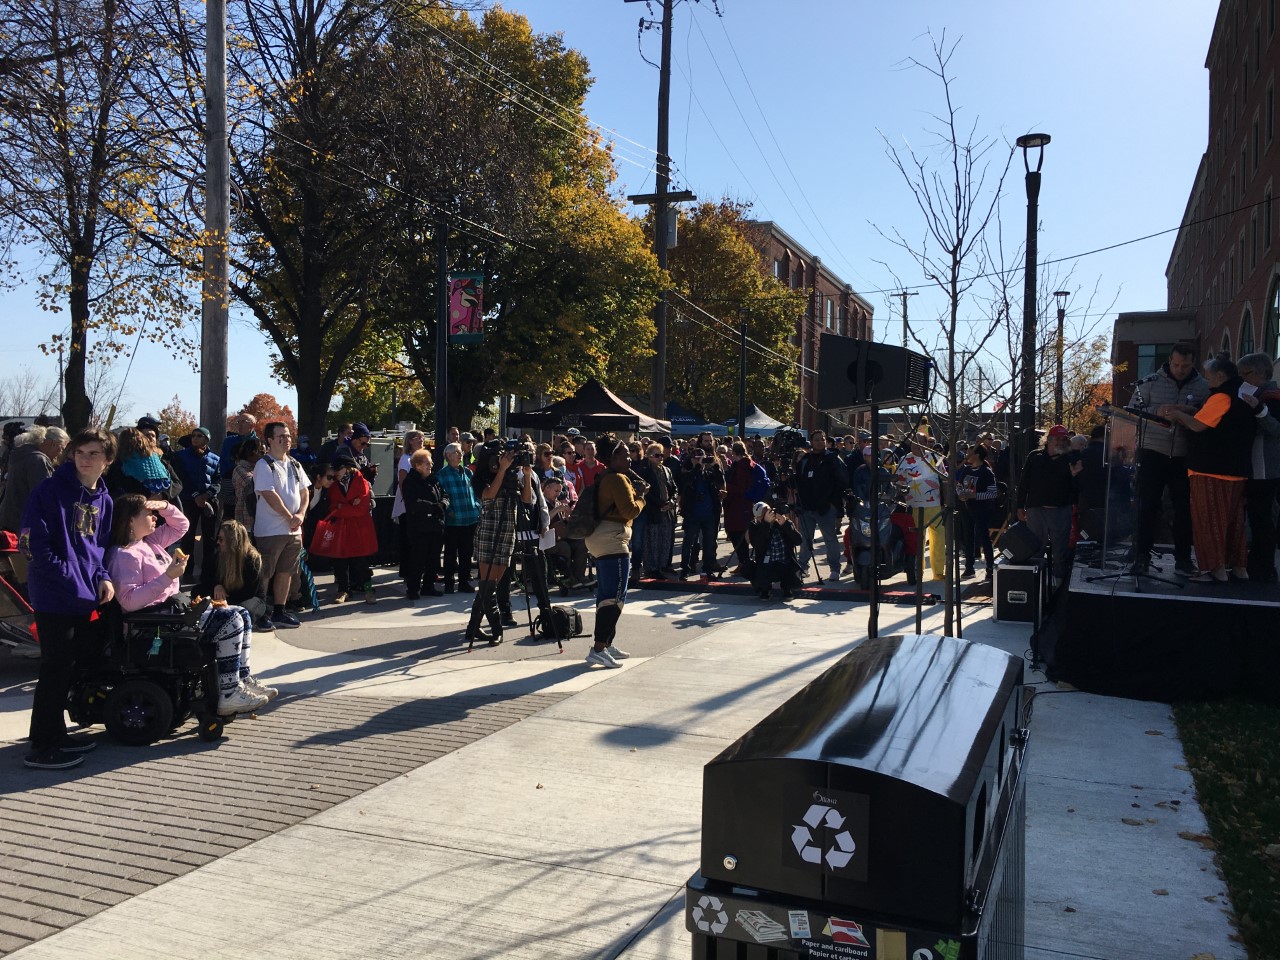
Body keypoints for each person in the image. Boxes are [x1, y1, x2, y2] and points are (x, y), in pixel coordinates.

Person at [107, 495, 272, 716]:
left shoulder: (149, 542)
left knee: (241, 613)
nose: (154, 517)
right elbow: (129, 601)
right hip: (152, 625)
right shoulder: (124, 554)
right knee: (231, 620)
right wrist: (168, 577)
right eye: (147, 513)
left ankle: (240, 680)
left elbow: (182, 525)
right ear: (130, 521)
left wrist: (165, 506)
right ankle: (229, 692)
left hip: (171, 613)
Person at [19, 428, 116, 769]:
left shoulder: (104, 499)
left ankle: (56, 733)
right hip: (53, 594)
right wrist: (70, 579)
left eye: (93, 454)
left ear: (108, 460)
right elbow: (32, 544)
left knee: (71, 667)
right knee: (54, 668)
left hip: (85, 595)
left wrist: (102, 577)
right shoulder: (49, 490)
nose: (85, 459)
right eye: (80, 452)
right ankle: (43, 747)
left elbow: (98, 546)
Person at [1161, 354, 1256, 583]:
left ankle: (1214, 569)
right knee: (1234, 522)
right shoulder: (1245, 393)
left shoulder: (1221, 396)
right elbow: (1221, 422)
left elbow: (1200, 426)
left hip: (1209, 469)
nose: (1207, 380)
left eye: (1210, 376)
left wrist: (1177, 415)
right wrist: (1192, 410)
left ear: (1221, 375)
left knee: (1209, 520)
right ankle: (1238, 566)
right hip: (1237, 470)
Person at [1128, 342, 1211, 575]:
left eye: (1185, 365)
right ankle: (1141, 556)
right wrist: (1158, 412)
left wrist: (1188, 412)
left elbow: (1209, 417)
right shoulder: (1150, 382)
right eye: (1176, 364)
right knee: (1147, 506)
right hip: (1153, 451)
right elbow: (1132, 411)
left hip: (1184, 455)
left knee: (1183, 508)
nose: (1180, 369)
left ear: (1193, 362)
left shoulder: (1204, 386)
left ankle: (1184, 558)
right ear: (1169, 361)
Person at [583, 442, 647, 668]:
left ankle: (606, 644)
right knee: (615, 597)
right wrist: (641, 497)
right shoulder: (617, 479)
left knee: (607, 595)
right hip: (612, 540)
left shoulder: (607, 476)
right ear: (613, 458)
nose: (630, 459)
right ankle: (598, 649)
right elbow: (629, 511)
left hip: (602, 538)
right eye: (624, 455)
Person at [464, 443, 533, 646]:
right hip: (488, 533)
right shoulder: (483, 479)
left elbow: (527, 500)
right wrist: (502, 470)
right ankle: (496, 628)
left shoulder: (511, 478)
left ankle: (473, 627)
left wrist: (527, 475)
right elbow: (490, 494)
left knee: (491, 584)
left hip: (507, 534)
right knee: (487, 583)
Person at [252, 421, 310, 628]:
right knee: (266, 573)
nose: (287, 440)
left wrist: (300, 514)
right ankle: (261, 614)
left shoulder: (295, 463)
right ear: (270, 440)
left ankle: (280, 611)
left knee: (286, 571)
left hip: (294, 530)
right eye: (281, 437)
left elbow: (305, 491)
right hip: (270, 531)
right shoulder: (263, 465)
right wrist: (289, 516)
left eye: (288, 436)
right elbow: (268, 494)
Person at [0, 426, 67, 587]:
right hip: (27, 525)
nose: (60, 453)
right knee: (29, 567)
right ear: (51, 443)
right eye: (61, 447)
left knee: (16, 565)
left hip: (11, 518)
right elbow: (45, 497)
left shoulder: (20, 456)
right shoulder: (39, 461)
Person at [1016, 425, 1083, 581]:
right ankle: (1035, 584)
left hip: (1060, 510)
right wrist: (1020, 507)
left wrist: (1075, 476)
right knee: (1035, 550)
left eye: (1063, 439)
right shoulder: (1035, 456)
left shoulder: (1071, 459)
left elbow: (1077, 489)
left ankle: (1058, 587)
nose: (1060, 442)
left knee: (1060, 551)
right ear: (1048, 440)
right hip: (1036, 510)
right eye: (1056, 439)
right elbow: (1024, 482)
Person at [310, 454, 379, 603]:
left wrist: (343, 508)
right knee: (340, 561)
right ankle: (343, 591)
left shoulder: (362, 482)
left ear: (348, 468)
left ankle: (368, 591)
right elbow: (333, 506)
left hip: (358, 528)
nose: (335, 473)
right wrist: (348, 506)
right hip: (341, 528)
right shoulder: (335, 484)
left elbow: (361, 509)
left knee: (361, 561)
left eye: (338, 470)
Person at [1237, 352, 1280, 581]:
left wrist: (1258, 410)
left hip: (1266, 468)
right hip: (1256, 467)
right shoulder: (1259, 394)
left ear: (1259, 373)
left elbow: (1276, 429)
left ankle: (1264, 566)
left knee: (1263, 517)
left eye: (1246, 374)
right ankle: (1258, 561)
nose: (1243, 379)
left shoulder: (1272, 396)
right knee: (1256, 516)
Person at [794, 431, 848, 582]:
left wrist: (833, 502)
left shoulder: (833, 459)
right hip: (807, 507)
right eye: (816, 439)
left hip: (826, 508)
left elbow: (843, 481)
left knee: (830, 538)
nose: (819, 442)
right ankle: (803, 567)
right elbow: (798, 482)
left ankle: (834, 569)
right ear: (811, 442)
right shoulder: (805, 459)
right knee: (806, 539)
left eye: (822, 439)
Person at [174, 426, 222, 592]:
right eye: (193, 435)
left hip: (209, 501)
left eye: (200, 436)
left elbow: (218, 480)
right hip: (189, 500)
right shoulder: (181, 456)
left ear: (207, 440)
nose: (195, 438)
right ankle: (186, 571)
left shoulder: (215, 458)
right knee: (188, 536)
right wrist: (196, 496)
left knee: (210, 538)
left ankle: (208, 573)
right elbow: (181, 478)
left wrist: (208, 495)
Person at [400, 448, 449, 604]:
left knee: (433, 559)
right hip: (419, 527)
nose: (431, 465)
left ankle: (428, 586)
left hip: (436, 525)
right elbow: (413, 503)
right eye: (427, 463)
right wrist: (434, 507)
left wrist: (443, 504)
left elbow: (445, 494)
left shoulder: (433, 479)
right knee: (418, 559)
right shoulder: (410, 481)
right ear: (418, 465)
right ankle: (413, 589)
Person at [677, 446, 726, 582]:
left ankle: (707, 569)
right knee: (689, 542)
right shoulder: (688, 473)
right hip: (693, 513)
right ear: (692, 459)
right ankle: (685, 569)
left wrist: (715, 467)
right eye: (697, 458)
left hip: (708, 513)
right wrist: (697, 467)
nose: (701, 461)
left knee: (709, 542)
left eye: (702, 458)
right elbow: (686, 482)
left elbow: (720, 482)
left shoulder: (709, 473)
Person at [438, 441, 481, 593]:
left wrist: (477, 506)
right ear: (448, 456)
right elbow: (441, 496)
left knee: (466, 553)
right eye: (456, 452)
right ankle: (449, 583)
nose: (460, 455)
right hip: (454, 520)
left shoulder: (468, 472)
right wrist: (449, 511)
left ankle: (463, 582)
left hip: (470, 518)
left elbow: (476, 493)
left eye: (460, 452)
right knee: (450, 554)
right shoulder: (442, 475)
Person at [213, 519, 272, 629]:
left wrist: (226, 602)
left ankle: (259, 618)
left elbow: (249, 592)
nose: (218, 542)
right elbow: (207, 577)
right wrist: (217, 586)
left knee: (241, 611)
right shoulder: (219, 554)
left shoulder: (252, 559)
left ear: (232, 541)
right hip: (227, 594)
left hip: (250, 598)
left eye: (221, 539)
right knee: (198, 592)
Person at [955, 445, 998, 579]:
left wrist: (975, 495)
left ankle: (990, 567)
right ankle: (969, 567)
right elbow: (959, 484)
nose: (967, 455)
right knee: (968, 537)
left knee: (984, 537)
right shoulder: (966, 470)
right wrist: (961, 494)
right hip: (966, 508)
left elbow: (992, 493)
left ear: (977, 455)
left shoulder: (986, 472)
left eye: (969, 453)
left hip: (981, 509)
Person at [637, 442, 678, 578]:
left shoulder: (667, 470)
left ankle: (663, 566)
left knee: (666, 540)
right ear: (649, 456)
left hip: (667, 510)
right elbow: (646, 493)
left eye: (661, 455)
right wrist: (659, 504)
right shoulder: (644, 472)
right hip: (653, 511)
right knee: (652, 541)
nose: (660, 458)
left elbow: (674, 489)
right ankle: (652, 568)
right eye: (656, 455)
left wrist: (671, 502)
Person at [748, 500, 803, 601]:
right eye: (765, 514)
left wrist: (785, 524)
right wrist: (765, 524)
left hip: (785, 562)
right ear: (758, 518)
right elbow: (757, 545)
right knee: (755, 573)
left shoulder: (781, 521)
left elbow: (799, 541)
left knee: (794, 579)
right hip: (766, 564)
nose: (771, 515)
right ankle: (765, 589)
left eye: (769, 511)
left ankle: (787, 589)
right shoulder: (755, 526)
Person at [231, 436, 263, 529]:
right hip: (246, 518)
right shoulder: (240, 469)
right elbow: (253, 484)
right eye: (260, 452)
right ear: (251, 452)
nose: (264, 455)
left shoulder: (258, 468)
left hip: (261, 517)